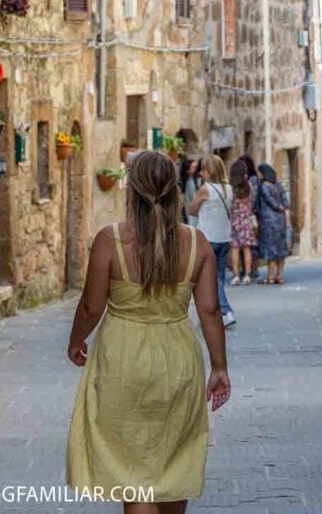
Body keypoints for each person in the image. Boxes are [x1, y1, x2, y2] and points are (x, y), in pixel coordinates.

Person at [66, 150, 231, 512]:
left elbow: (91, 307)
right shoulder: (197, 243)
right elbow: (209, 310)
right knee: (173, 464)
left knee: (133, 474)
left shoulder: (110, 240)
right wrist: (219, 366)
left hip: (123, 359)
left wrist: (76, 341)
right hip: (178, 359)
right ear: (175, 190)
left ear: (131, 189)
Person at [187, 155, 236, 327]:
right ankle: (217, 312)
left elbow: (192, 209)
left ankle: (226, 311)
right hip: (224, 237)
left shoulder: (205, 189)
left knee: (211, 279)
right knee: (219, 277)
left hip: (208, 238)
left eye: (204, 170)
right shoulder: (228, 189)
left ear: (210, 171)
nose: (201, 173)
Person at [254, 163, 291, 284]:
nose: (258, 175)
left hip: (268, 221)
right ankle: (280, 275)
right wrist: (283, 209)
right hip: (280, 220)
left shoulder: (264, 186)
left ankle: (270, 276)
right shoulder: (279, 185)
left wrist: (278, 207)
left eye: (259, 172)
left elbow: (270, 202)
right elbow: (285, 202)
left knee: (271, 250)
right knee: (280, 248)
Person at [227, 174, 258, 285]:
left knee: (234, 249)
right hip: (246, 223)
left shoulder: (232, 192)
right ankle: (247, 276)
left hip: (235, 223)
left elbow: (228, 206)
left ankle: (236, 276)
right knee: (247, 249)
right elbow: (253, 202)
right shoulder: (249, 190)